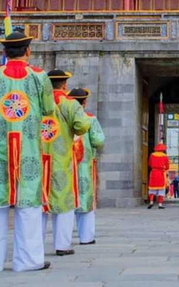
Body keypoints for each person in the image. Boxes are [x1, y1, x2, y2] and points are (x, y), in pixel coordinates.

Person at [0, 31, 56, 272]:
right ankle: (28, 261)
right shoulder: (39, 76)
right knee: (29, 206)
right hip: (28, 147)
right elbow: (49, 107)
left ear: (4, 52)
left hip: (0, 146)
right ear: (28, 51)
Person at [40, 70, 90, 256]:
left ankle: (35, 244)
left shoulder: (38, 101)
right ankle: (62, 245)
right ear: (65, 85)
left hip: (38, 157)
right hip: (61, 159)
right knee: (64, 202)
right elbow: (82, 126)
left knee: (38, 204)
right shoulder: (69, 103)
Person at [69, 88, 105, 246]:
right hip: (84, 164)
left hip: (64, 164)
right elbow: (98, 140)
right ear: (84, 102)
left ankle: (63, 239)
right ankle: (86, 237)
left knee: (66, 200)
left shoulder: (61, 116)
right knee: (85, 198)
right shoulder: (89, 119)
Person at [147, 143, 170, 209]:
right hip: (161, 173)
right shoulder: (164, 156)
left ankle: (151, 202)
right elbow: (167, 166)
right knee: (161, 189)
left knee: (152, 188)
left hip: (153, 172)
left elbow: (150, 164)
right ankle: (160, 204)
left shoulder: (152, 155)